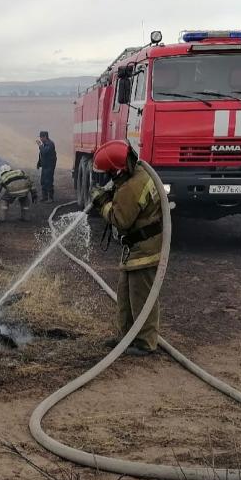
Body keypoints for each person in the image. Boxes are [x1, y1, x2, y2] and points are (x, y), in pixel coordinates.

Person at [90, 140, 162, 356]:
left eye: (109, 172)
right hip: (136, 248)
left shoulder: (132, 186)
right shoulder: (134, 175)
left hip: (145, 250)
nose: (108, 177)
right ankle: (126, 337)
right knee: (125, 295)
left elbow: (120, 220)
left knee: (142, 297)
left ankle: (145, 343)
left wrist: (103, 203)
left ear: (118, 169)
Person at [36, 131, 57, 203]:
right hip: (45, 166)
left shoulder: (50, 144)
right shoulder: (44, 144)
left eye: (41, 137)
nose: (40, 139)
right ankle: (44, 197)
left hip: (50, 166)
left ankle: (51, 198)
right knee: (43, 181)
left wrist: (40, 145)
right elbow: (42, 155)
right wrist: (39, 163)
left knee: (49, 181)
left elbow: (44, 152)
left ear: (45, 137)